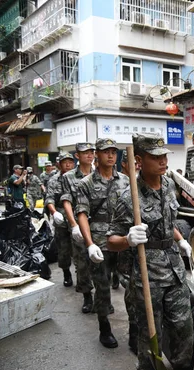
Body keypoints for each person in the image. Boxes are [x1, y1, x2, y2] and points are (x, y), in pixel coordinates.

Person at [107, 134, 194, 370]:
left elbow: (168, 222)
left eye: (165, 156)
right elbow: (111, 241)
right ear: (139, 160)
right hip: (146, 272)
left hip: (174, 268)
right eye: (156, 157)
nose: (163, 161)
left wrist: (182, 241)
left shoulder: (168, 186)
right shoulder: (129, 196)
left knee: (183, 325)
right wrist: (128, 239)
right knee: (151, 329)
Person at [76, 139, 129, 348]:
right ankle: (104, 328)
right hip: (100, 242)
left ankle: (135, 331)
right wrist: (89, 244)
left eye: (113, 152)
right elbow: (82, 214)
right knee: (103, 286)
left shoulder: (126, 181)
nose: (110, 155)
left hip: (123, 240)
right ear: (97, 154)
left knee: (133, 286)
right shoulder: (86, 183)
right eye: (106, 152)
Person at [61, 143, 96, 314]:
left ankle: (103, 298)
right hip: (79, 226)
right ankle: (87, 296)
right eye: (85, 153)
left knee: (102, 264)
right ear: (77, 156)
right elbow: (66, 201)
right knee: (82, 263)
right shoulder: (68, 177)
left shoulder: (99, 174)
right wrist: (74, 225)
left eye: (91, 152)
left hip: (98, 226)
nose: (89, 155)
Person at [118, 149, 138, 354]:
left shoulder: (153, 183)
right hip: (122, 242)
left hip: (141, 246)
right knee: (131, 292)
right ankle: (134, 332)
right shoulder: (124, 187)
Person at [46, 153, 77, 287]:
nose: (68, 164)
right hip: (62, 220)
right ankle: (66, 273)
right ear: (59, 164)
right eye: (65, 162)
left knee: (80, 250)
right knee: (63, 250)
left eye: (70, 162)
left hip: (78, 219)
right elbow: (49, 198)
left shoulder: (79, 178)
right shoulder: (54, 180)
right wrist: (54, 212)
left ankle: (82, 276)